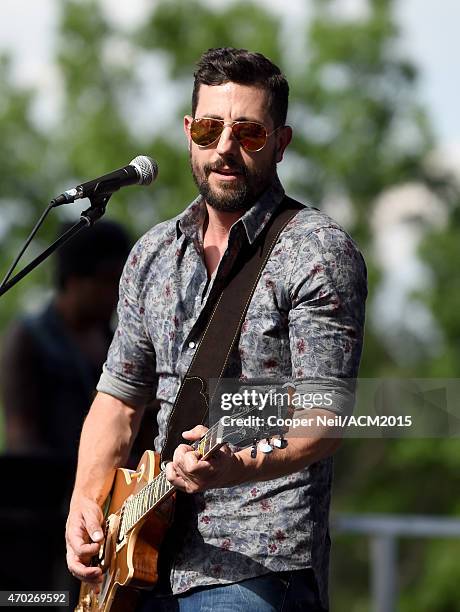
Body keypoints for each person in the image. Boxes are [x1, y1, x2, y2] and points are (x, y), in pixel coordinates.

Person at [65, 48, 367, 611]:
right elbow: (119, 400)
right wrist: (86, 498)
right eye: (209, 128)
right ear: (188, 132)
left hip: (252, 563)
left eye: (248, 133)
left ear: (281, 143)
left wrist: (241, 464)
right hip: (141, 557)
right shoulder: (153, 253)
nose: (224, 147)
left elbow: (324, 418)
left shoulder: (316, 252)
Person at [1, 220, 132, 456]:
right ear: (73, 280)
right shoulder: (27, 339)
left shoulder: (115, 341)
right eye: (107, 280)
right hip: (50, 486)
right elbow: (21, 442)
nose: (116, 293)